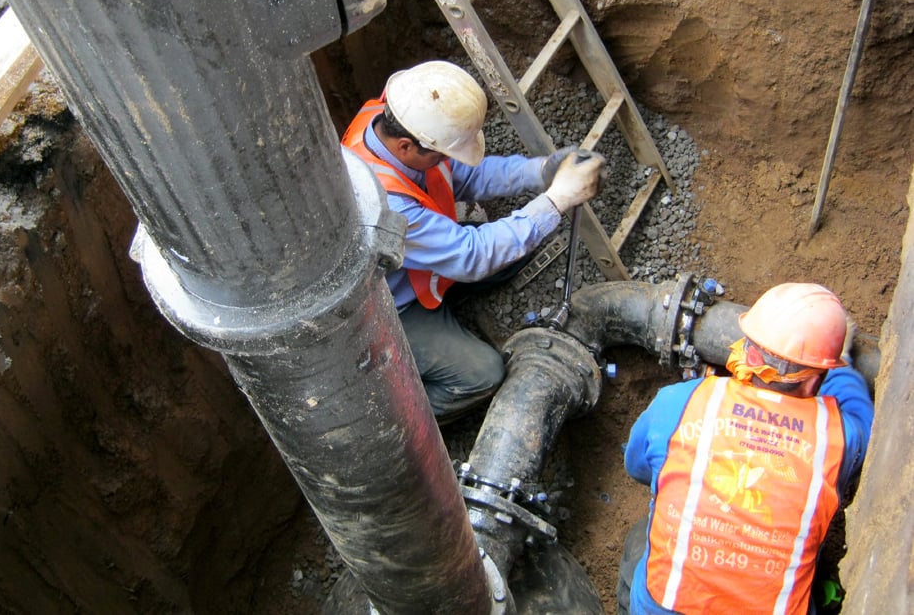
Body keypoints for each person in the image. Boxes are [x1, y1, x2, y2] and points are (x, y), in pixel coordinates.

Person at [342, 60, 605, 420]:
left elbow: (465, 175)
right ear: (406, 147)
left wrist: (541, 172)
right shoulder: (384, 205)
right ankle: (398, 429)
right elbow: (472, 256)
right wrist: (557, 200)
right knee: (482, 375)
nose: (446, 161)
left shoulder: (393, 115)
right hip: (386, 311)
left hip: (412, 269)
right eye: (441, 154)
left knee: (515, 246)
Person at [617, 282, 874, 615]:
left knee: (643, 537)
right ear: (813, 381)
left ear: (747, 348)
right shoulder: (839, 437)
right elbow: (862, 415)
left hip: (661, 606)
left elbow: (636, 466)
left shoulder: (680, 401)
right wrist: (843, 367)